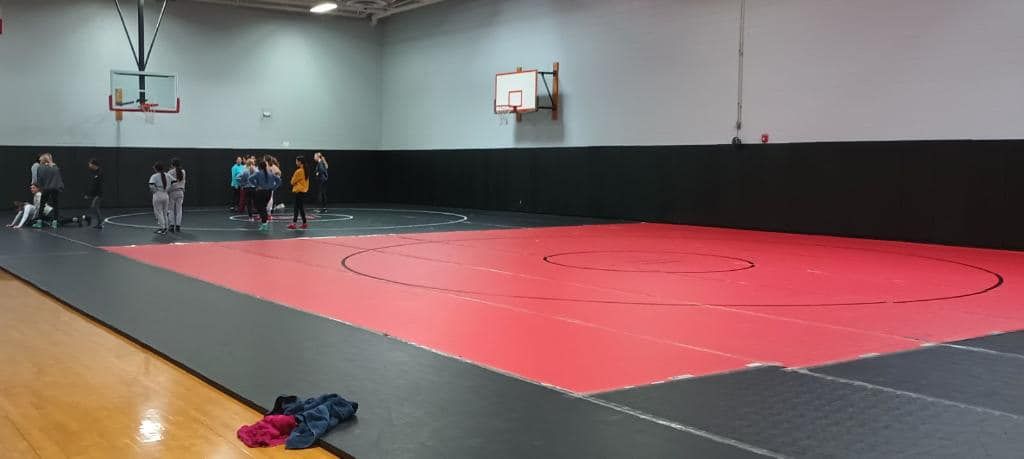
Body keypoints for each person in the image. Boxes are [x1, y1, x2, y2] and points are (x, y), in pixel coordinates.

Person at [248, 160, 281, 231]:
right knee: (263, 207)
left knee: (261, 207)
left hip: (261, 192)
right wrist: (273, 187)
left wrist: (256, 185)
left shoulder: (258, 173)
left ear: (259, 167)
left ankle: (264, 223)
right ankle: (264, 222)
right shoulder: (271, 174)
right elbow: (279, 180)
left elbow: (250, 179)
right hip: (268, 192)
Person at [34, 153, 65, 228]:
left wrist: (40, 187)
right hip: (55, 188)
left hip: (46, 188)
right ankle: (55, 222)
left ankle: (39, 222)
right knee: (56, 205)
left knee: (42, 205)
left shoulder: (40, 167)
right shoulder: (55, 167)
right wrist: (60, 187)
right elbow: (58, 179)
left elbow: (39, 179)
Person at [149, 162, 175, 235]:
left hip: (158, 194)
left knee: (158, 212)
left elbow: (151, 185)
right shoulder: (167, 175)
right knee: (164, 212)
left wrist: (154, 191)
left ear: (156, 169)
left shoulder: (154, 176)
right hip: (165, 194)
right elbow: (174, 181)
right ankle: (166, 227)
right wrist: (168, 188)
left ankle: (162, 228)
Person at [288, 156, 310, 230]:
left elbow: (292, 182)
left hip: (298, 191)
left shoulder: (299, 171)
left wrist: (294, 181)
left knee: (296, 208)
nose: (296, 162)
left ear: (300, 162)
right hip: (303, 191)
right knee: (300, 208)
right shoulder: (305, 170)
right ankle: (304, 223)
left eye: (296, 161)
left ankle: (294, 224)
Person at [82, 159, 104, 229]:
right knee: (94, 207)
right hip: (97, 193)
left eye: (90, 164)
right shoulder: (96, 173)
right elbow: (94, 185)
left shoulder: (99, 173)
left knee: (94, 207)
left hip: (99, 194)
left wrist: (90, 195)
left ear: (94, 165)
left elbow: (97, 185)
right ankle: (100, 222)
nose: (89, 166)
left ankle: (100, 222)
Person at [168, 158, 186, 233]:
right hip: (180, 191)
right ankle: (178, 225)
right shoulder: (183, 171)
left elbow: (169, 182)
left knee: (171, 209)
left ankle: (172, 225)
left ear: (172, 164)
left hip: (172, 192)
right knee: (179, 210)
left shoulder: (170, 172)